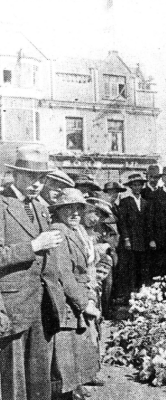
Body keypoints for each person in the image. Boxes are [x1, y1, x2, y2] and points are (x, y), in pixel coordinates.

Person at [0, 144, 63, 400]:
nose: (37, 184)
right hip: (12, 305)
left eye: (42, 178)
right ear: (14, 175)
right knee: (14, 381)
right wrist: (33, 246)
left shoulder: (40, 207)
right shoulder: (2, 206)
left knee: (39, 379)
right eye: (30, 176)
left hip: (41, 304)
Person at [46, 188, 101, 400]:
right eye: (69, 208)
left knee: (74, 362)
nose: (75, 213)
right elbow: (64, 274)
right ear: (58, 210)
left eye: (79, 208)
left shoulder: (72, 230)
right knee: (65, 364)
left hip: (76, 299)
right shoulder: (59, 231)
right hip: (66, 305)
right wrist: (84, 302)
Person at [117, 173, 150, 292]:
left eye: (139, 185)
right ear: (131, 187)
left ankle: (142, 292)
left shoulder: (145, 203)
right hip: (131, 240)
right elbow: (123, 222)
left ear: (142, 186)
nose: (137, 187)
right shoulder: (125, 201)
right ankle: (130, 293)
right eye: (134, 185)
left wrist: (150, 239)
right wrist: (126, 239)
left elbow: (148, 223)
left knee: (142, 267)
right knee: (131, 267)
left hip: (143, 240)